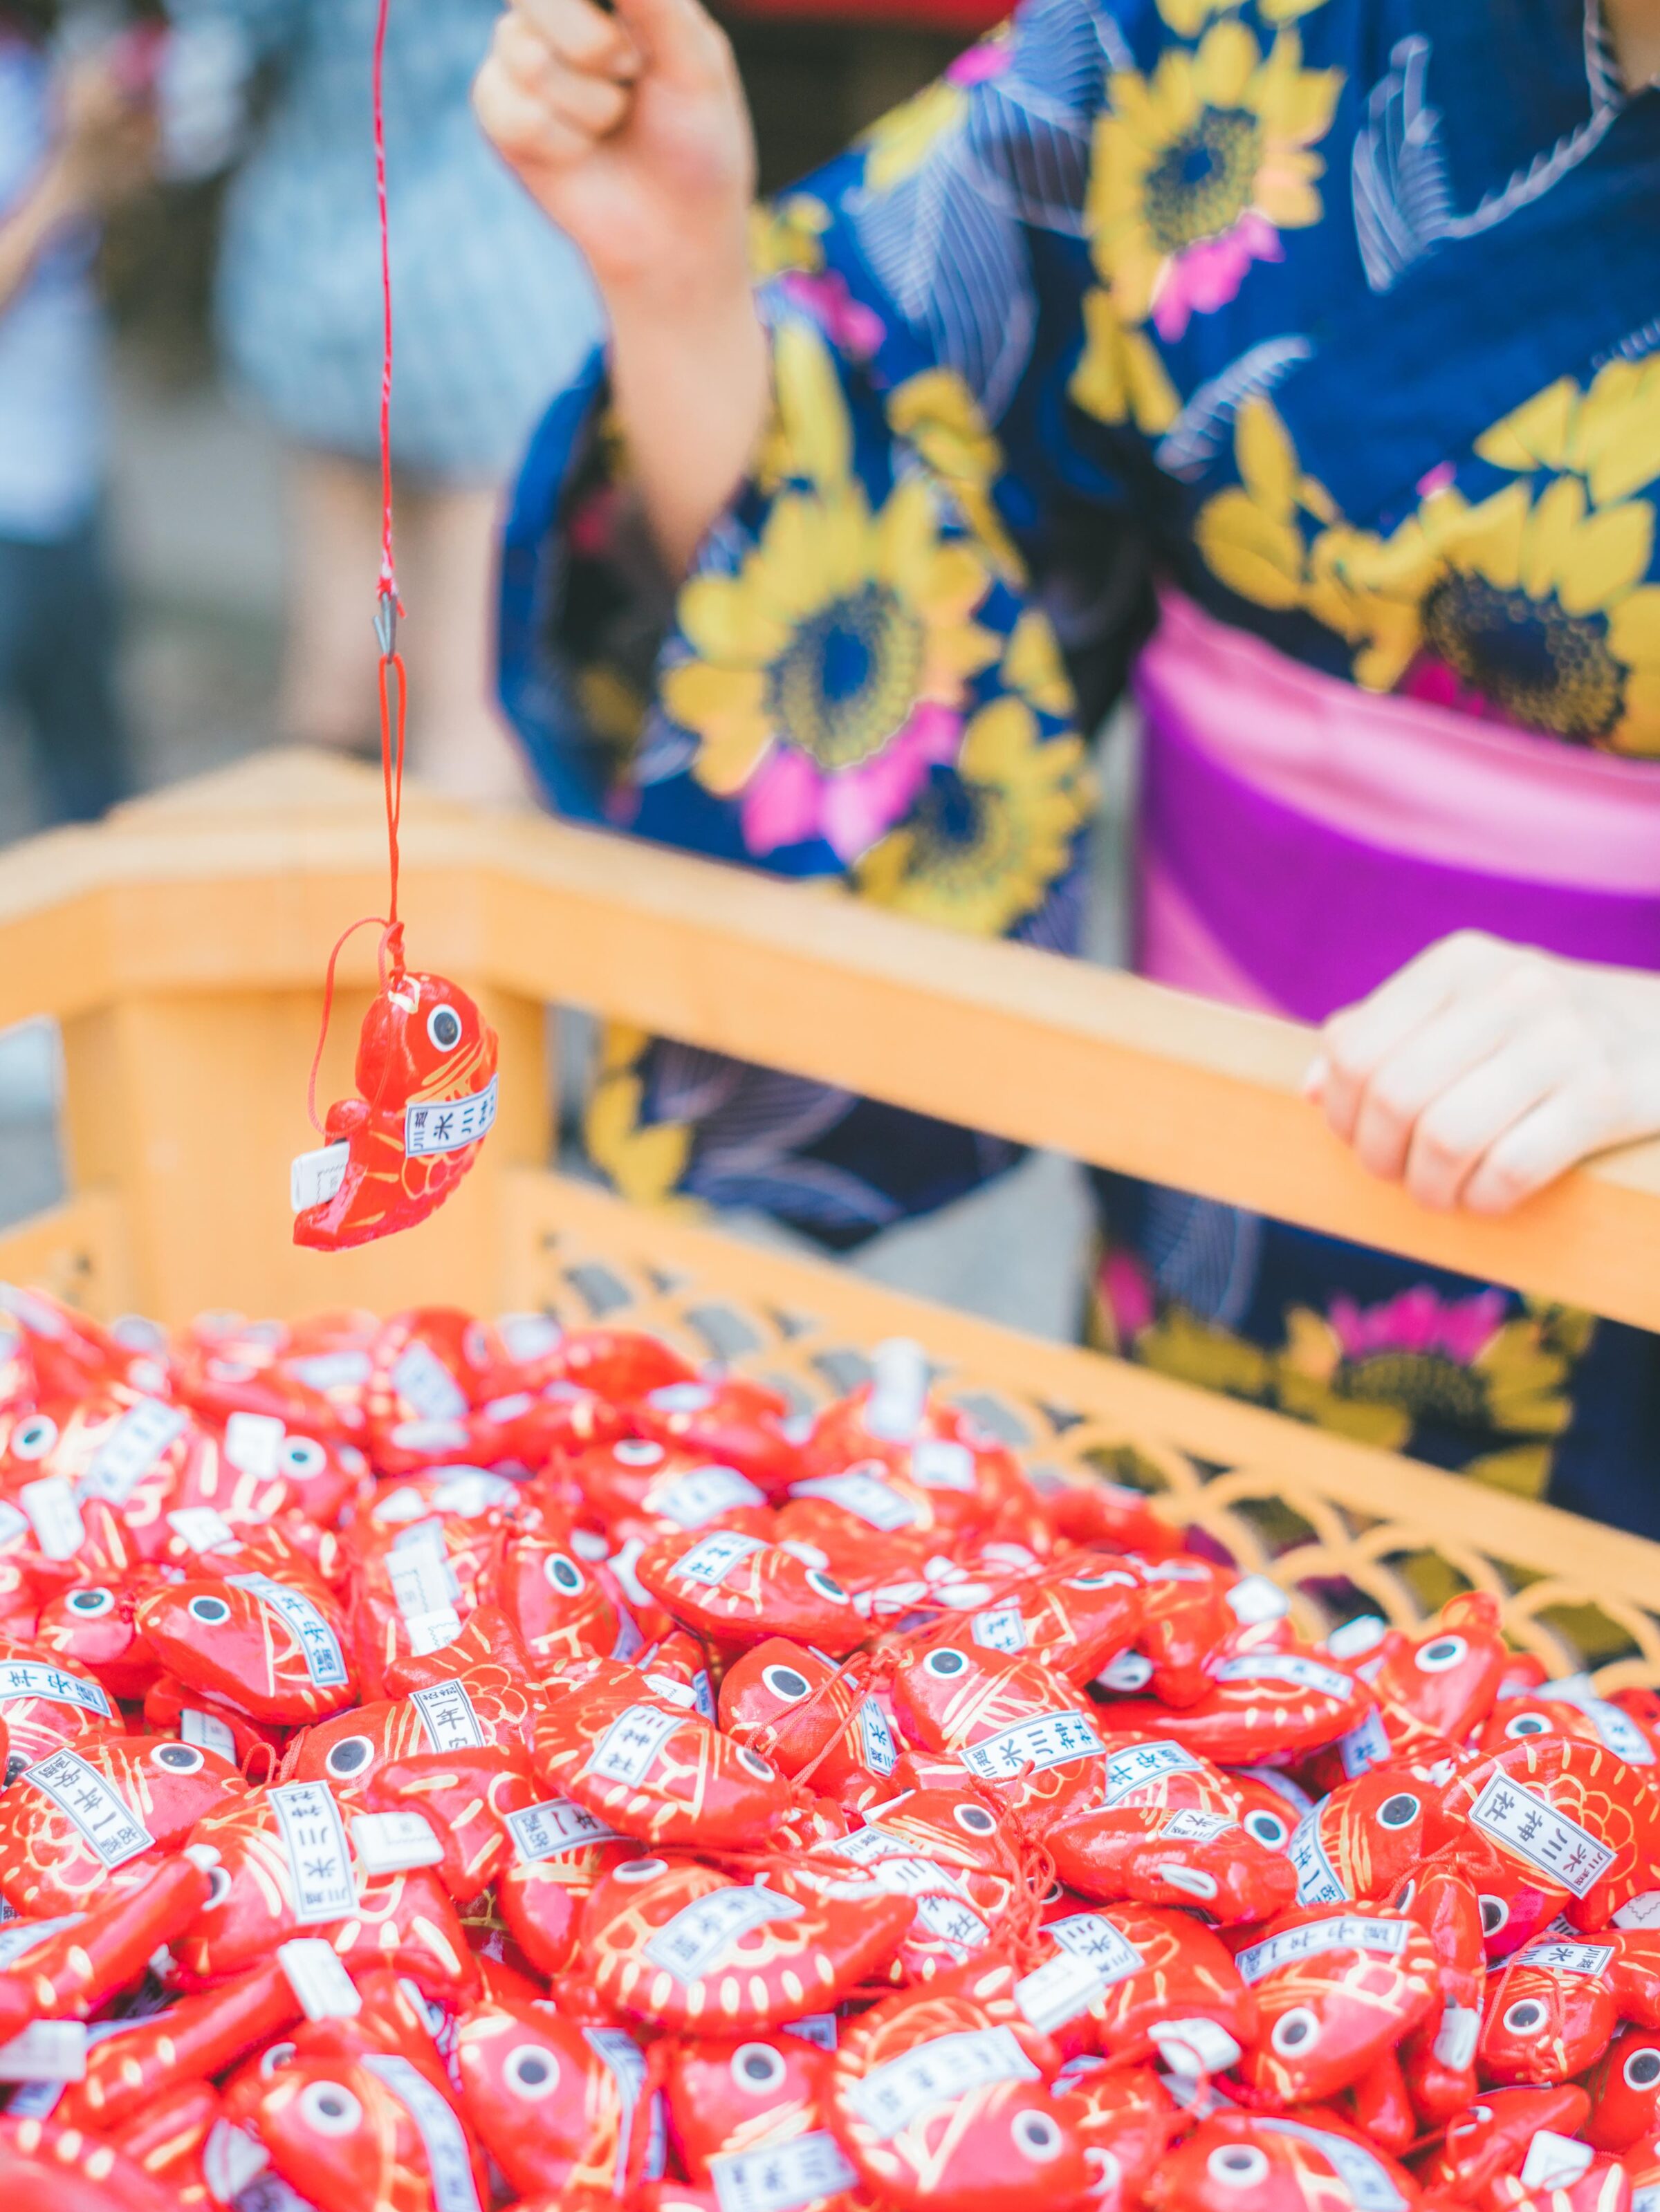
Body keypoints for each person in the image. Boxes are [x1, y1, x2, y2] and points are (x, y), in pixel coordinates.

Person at [474, 0, 1660, 1534]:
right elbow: (882, 512)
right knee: (1189, 1684)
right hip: (1230, 1219)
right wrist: (683, 282)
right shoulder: (1218, 38)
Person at [165, 0, 605, 799]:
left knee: (337, 660)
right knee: (467, 706)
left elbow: (199, 88)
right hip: (486, 281)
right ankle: (432, 919)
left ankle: (320, 908)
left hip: (316, 262)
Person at [0, 8, 152, 831]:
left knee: (94, 787)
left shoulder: (31, 60)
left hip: (69, 480)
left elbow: (89, 244)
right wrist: (72, 174)